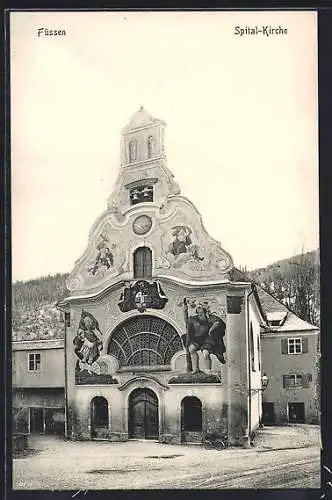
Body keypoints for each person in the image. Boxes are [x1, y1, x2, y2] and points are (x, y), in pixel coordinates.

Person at [184, 305, 226, 374]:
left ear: (205, 312)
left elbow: (217, 322)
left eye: (202, 313)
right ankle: (196, 369)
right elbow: (187, 322)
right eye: (198, 313)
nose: (200, 315)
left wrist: (211, 329)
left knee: (206, 353)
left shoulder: (210, 318)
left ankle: (208, 371)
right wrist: (185, 311)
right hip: (197, 339)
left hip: (207, 340)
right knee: (191, 349)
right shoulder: (194, 318)